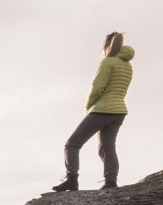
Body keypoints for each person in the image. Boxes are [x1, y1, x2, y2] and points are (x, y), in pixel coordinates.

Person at [52, 32, 134, 192]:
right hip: (119, 111)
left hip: (103, 109)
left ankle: (71, 179)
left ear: (107, 45)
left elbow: (97, 88)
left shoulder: (108, 62)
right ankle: (111, 182)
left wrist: (89, 106)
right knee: (108, 147)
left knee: (72, 144)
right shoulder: (127, 65)